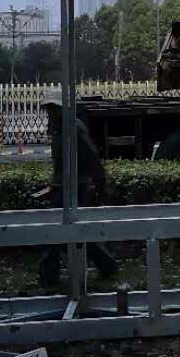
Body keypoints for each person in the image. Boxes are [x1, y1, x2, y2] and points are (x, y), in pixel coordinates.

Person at [36, 98, 118, 288]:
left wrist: (100, 184)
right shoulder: (58, 128)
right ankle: (106, 265)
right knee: (71, 233)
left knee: (54, 233)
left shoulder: (74, 129)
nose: (50, 113)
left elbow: (91, 157)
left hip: (75, 188)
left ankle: (49, 277)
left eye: (53, 109)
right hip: (62, 186)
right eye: (48, 109)